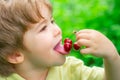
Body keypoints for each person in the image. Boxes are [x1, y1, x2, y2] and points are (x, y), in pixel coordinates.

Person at [0, 0, 120, 80]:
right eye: (43, 28)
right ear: (15, 55)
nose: (57, 30)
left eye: (52, 21)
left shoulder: (71, 70)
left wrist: (112, 57)